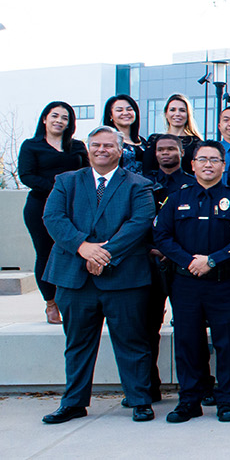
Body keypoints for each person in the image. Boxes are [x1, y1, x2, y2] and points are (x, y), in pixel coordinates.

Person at [40, 126, 158, 424]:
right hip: (75, 277)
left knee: (133, 342)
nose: (102, 150)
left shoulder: (139, 184)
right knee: (78, 344)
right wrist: (84, 248)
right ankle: (74, 402)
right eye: (96, 145)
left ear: (121, 150)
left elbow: (140, 222)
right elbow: (53, 217)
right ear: (88, 148)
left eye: (109, 145)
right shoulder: (66, 181)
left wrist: (105, 254)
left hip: (124, 277)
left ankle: (139, 400)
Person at [152, 141, 230, 423]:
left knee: (227, 344)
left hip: (226, 283)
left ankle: (225, 400)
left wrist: (213, 260)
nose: (208, 164)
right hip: (186, 284)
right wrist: (189, 261)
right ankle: (189, 401)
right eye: (203, 159)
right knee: (188, 343)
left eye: (214, 160)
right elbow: (161, 236)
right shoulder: (176, 198)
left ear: (224, 166)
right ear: (193, 164)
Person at [19, 101, 87, 324]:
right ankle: (51, 303)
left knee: (75, 251)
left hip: (75, 208)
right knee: (45, 253)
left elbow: (87, 172)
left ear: (70, 123)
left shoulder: (76, 146)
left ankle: (73, 301)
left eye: (65, 118)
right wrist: (59, 188)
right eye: (55, 116)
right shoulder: (31, 145)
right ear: (45, 119)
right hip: (40, 206)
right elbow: (26, 176)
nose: (59, 121)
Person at [143, 94, 203, 173]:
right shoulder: (154, 139)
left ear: (188, 114)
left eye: (182, 110)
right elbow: (147, 170)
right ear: (166, 114)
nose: (177, 114)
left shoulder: (195, 142)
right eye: (172, 110)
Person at [103, 95, 146, 173]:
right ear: (110, 115)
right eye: (119, 110)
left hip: (145, 184)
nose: (125, 113)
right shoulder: (107, 141)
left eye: (129, 109)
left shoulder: (143, 141)